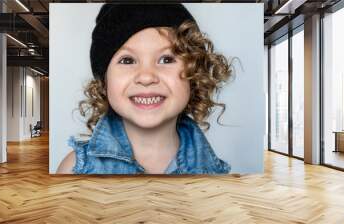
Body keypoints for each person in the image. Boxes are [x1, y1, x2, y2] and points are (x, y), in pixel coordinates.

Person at [57, 3, 233, 174]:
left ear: (194, 73)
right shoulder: (74, 170)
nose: (147, 77)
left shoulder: (215, 174)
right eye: (127, 60)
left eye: (166, 59)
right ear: (105, 81)